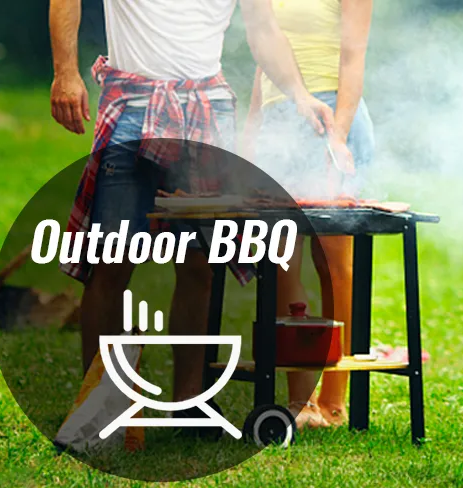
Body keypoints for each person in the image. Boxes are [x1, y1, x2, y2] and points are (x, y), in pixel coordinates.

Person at [49, 0, 347, 427]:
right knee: (111, 262)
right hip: (132, 103)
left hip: (207, 106)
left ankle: (191, 402)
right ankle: (95, 405)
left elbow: (263, 28)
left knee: (201, 265)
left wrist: (299, 94)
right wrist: (65, 71)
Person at [241, 0, 374, 428]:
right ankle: (300, 401)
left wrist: (338, 135)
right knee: (282, 265)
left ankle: (334, 402)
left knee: (333, 264)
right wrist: (249, 139)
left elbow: (353, 56)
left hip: (335, 115)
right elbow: (266, 61)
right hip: (282, 120)